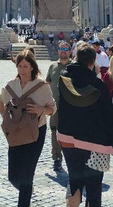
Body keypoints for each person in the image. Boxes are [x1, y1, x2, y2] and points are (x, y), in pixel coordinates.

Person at [57, 42, 113, 207]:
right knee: (93, 187)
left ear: (76, 58)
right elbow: (108, 116)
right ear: (93, 62)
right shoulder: (98, 85)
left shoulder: (64, 79)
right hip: (93, 143)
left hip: (67, 139)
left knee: (75, 179)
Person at [0, 50, 55, 207]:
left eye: (25, 66)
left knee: (27, 174)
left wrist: (40, 110)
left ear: (32, 67)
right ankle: (26, 189)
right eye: (20, 66)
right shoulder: (11, 86)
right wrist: (5, 117)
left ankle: (25, 195)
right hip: (15, 132)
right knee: (13, 176)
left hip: (36, 132)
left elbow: (52, 108)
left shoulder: (42, 86)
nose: (22, 70)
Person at [46, 41, 72, 172]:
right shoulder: (53, 66)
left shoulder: (74, 66)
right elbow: (48, 82)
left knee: (70, 132)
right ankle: (56, 157)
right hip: (55, 106)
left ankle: (72, 159)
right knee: (54, 131)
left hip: (71, 107)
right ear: (58, 51)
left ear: (70, 51)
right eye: (61, 49)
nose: (63, 51)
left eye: (66, 49)